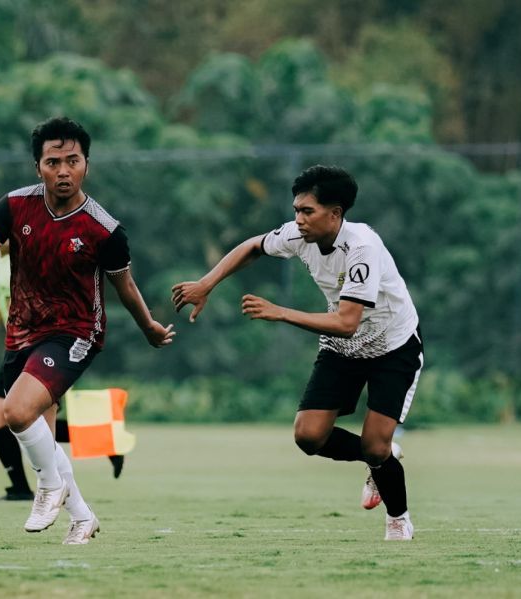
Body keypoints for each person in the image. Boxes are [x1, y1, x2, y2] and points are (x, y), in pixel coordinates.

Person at [0, 116, 175, 545]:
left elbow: (125, 287)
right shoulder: (13, 208)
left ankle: (48, 488)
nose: (63, 170)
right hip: (22, 334)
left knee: (14, 412)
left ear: (87, 164)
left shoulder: (104, 229)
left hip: (76, 333)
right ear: (38, 167)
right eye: (53, 162)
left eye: (73, 160)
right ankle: (82, 517)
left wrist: (149, 328)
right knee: (41, 436)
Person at [172, 165, 423, 541]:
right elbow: (253, 246)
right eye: (296, 210)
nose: (298, 220)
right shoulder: (297, 236)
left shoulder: (362, 249)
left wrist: (280, 312)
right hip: (343, 348)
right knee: (308, 437)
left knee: (374, 443)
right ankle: (382, 457)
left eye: (308, 212)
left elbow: (347, 321)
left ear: (335, 213)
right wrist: (207, 284)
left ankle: (398, 519)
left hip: (392, 346)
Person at [0, 239, 127, 502]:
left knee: (28, 418)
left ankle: (93, 452)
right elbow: (1, 301)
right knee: (1, 414)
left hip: (41, 350)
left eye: (4, 235)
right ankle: (21, 487)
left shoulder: (31, 259)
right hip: (17, 348)